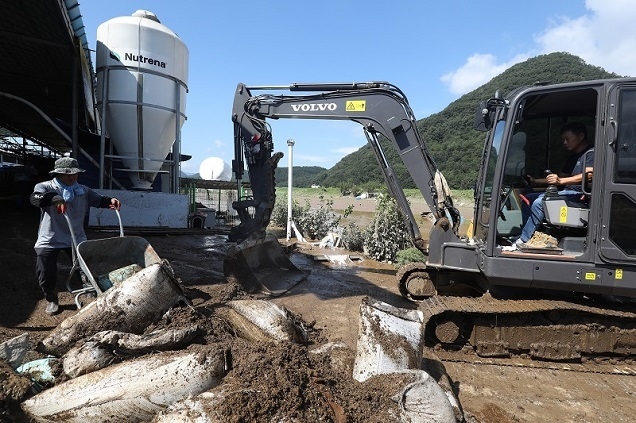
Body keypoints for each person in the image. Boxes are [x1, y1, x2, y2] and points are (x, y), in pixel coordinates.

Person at [30, 157, 121, 315]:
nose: (72, 177)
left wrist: (110, 201)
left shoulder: (83, 190)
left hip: (76, 237)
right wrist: (53, 198)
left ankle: (91, 295)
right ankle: (51, 299)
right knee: (45, 271)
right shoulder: (45, 186)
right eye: (67, 174)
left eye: (75, 174)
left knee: (84, 268)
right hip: (50, 238)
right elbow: (34, 198)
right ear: (58, 173)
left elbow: (99, 200)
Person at [516, 122, 593, 248]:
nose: (565, 143)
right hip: (567, 192)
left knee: (540, 203)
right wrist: (536, 181)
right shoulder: (573, 158)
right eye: (563, 139)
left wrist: (561, 182)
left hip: (580, 195)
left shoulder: (591, 153)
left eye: (567, 139)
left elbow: (589, 174)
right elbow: (560, 177)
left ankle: (524, 240)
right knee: (529, 198)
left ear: (580, 136)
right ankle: (528, 232)